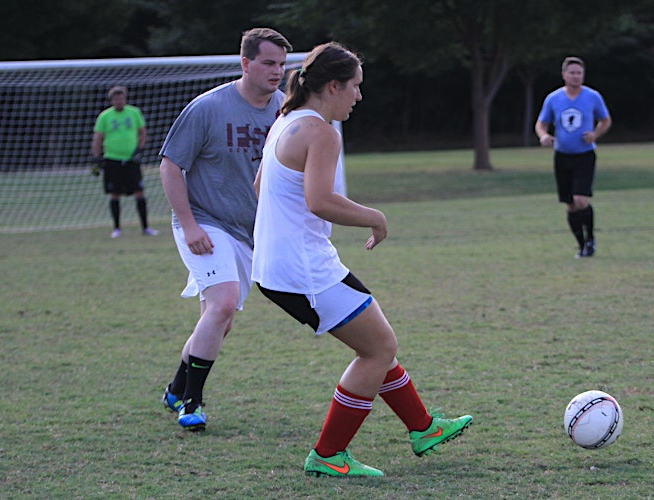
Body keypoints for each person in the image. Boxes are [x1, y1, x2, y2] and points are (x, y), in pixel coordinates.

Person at [250, 42, 472, 477]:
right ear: (333, 86)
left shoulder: (286, 120)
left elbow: (262, 188)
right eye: (355, 86)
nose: (359, 95)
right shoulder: (321, 132)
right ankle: (328, 454)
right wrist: (374, 216)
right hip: (302, 270)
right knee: (379, 348)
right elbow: (318, 200)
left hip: (285, 265)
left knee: (377, 342)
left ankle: (423, 428)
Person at [157, 27, 292, 431]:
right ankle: (191, 404)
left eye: (283, 64)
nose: (277, 71)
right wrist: (190, 223)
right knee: (222, 304)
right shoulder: (207, 108)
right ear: (246, 63)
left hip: (249, 232)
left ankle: (175, 388)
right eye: (268, 63)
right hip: (204, 222)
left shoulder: (285, 111)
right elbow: (170, 165)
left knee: (220, 318)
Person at [535, 56, 612, 258]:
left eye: (579, 73)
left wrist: (595, 134)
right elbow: (541, 123)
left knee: (581, 200)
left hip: (585, 155)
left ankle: (591, 238)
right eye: (572, 73)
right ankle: (582, 245)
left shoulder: (592, 96)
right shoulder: (553, 99)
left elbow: (605, 120)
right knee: (570, 203)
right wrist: (543, 136)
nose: (576, 77)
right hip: (562, 156)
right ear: (564, 75)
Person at [91, 86, 157, 238]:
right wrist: (96, 157)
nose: (119, 101)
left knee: (139, 191)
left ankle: (146, 227)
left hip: (131, 159)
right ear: (112, 100)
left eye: (121, 98)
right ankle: (117, 228)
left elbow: (142, 132)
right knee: (115, 193)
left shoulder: (134, 113)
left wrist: (140, 149)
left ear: (125, 99)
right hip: (112, 159)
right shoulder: (105, 116)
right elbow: (98, 137)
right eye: (116, 99)